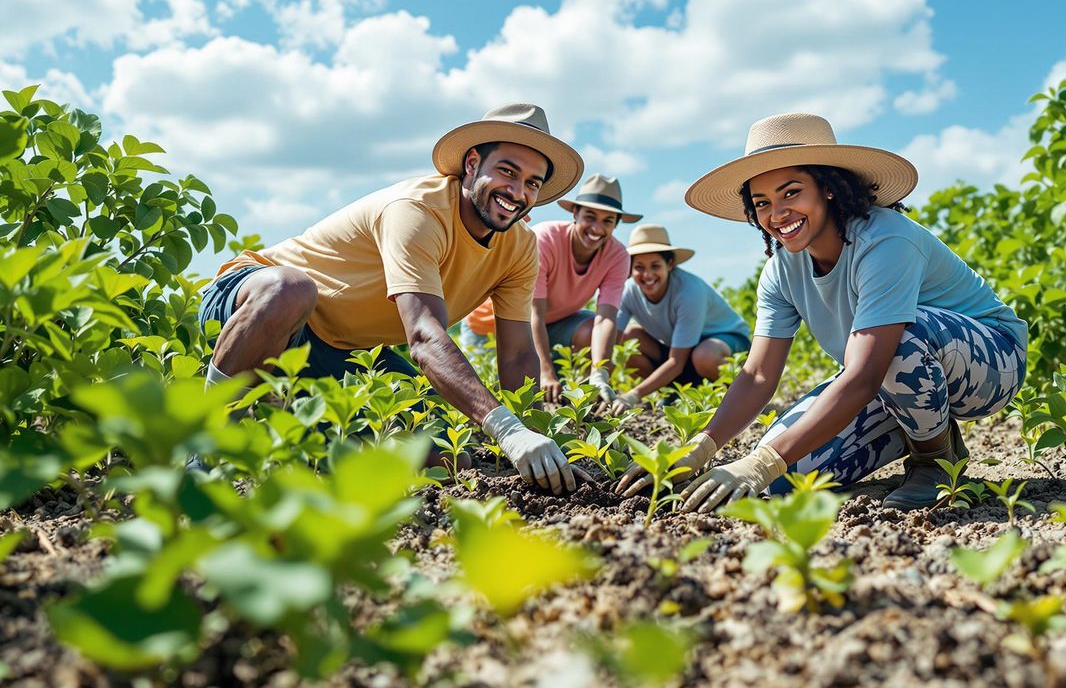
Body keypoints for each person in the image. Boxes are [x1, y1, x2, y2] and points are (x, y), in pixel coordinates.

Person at [616, 113, 1027, 511]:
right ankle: (918, 427)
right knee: (781, 478)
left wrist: (761, 462)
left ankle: (934, 460)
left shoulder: (885, 240)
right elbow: (758, 375)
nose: (777, 214)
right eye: (762, 202)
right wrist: (700, 448)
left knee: (902, 337)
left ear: (828, 187)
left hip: (988, 363)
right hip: (889, 380)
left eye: (791, 192)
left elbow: (865, 374)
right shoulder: (781, 270)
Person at [198, 103, 588, 494]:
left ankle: (300, 435)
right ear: (472, 163)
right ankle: (203, 443)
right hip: (255, 304)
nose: (518, 192)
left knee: (445, 458)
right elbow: (423, 336)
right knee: (290, 291)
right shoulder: (417, 211)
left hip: (341, 350)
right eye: (507, 171)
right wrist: (504, 429)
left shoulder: (520, 248)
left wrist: (535, 439)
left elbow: (518, 355)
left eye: (533, 183)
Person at [608, 224, 751, 415]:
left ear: (670, 264)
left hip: (724, 344)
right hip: (684, 353)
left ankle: (744, 396)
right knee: (629, 338)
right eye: (639, 267)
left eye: (655, 266)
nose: (647, 275)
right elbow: (612, 339)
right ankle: (673, 393)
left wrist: (633, 395)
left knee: (704, 355)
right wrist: (596, 377)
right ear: (630, 269)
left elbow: (676, 361)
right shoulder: (628, 291)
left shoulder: (689, 291)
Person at [522, 174, 640, 405]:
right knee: (504, 385)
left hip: (556, 324)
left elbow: (605, 318)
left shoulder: (617, 256)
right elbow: (532, 313)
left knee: (594, 330)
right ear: (575, 214)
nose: (597, 228)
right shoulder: (545, 239)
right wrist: (545, 373)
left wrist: (599, 372)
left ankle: (581, 398)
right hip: (506, 323)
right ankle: (547, 371)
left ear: (616, 224)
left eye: (608, 221)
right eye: (590, 217)